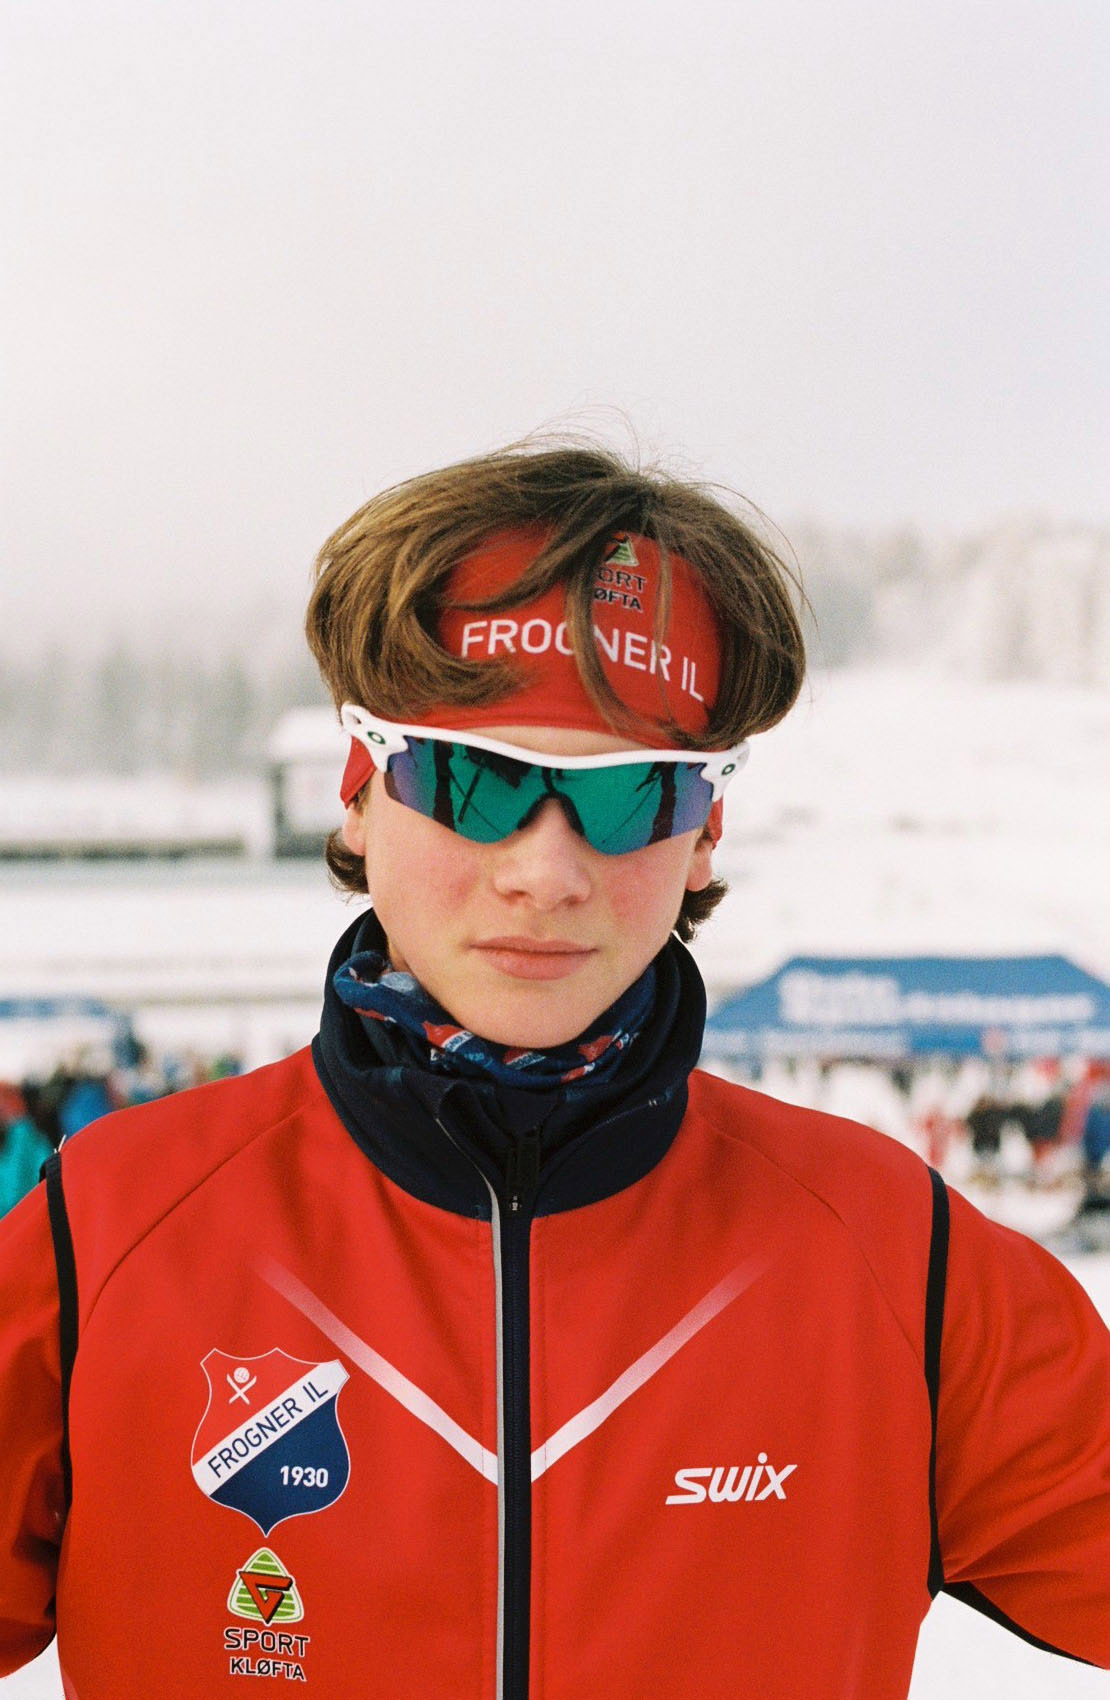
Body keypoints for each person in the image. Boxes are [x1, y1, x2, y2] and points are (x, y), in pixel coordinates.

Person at [1, 440, 1108, 1698]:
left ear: (704, 829)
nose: (546, 870)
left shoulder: (895, 1257)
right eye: (474, 777)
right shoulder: (109, 1230)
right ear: (360, 794)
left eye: (630, 794)